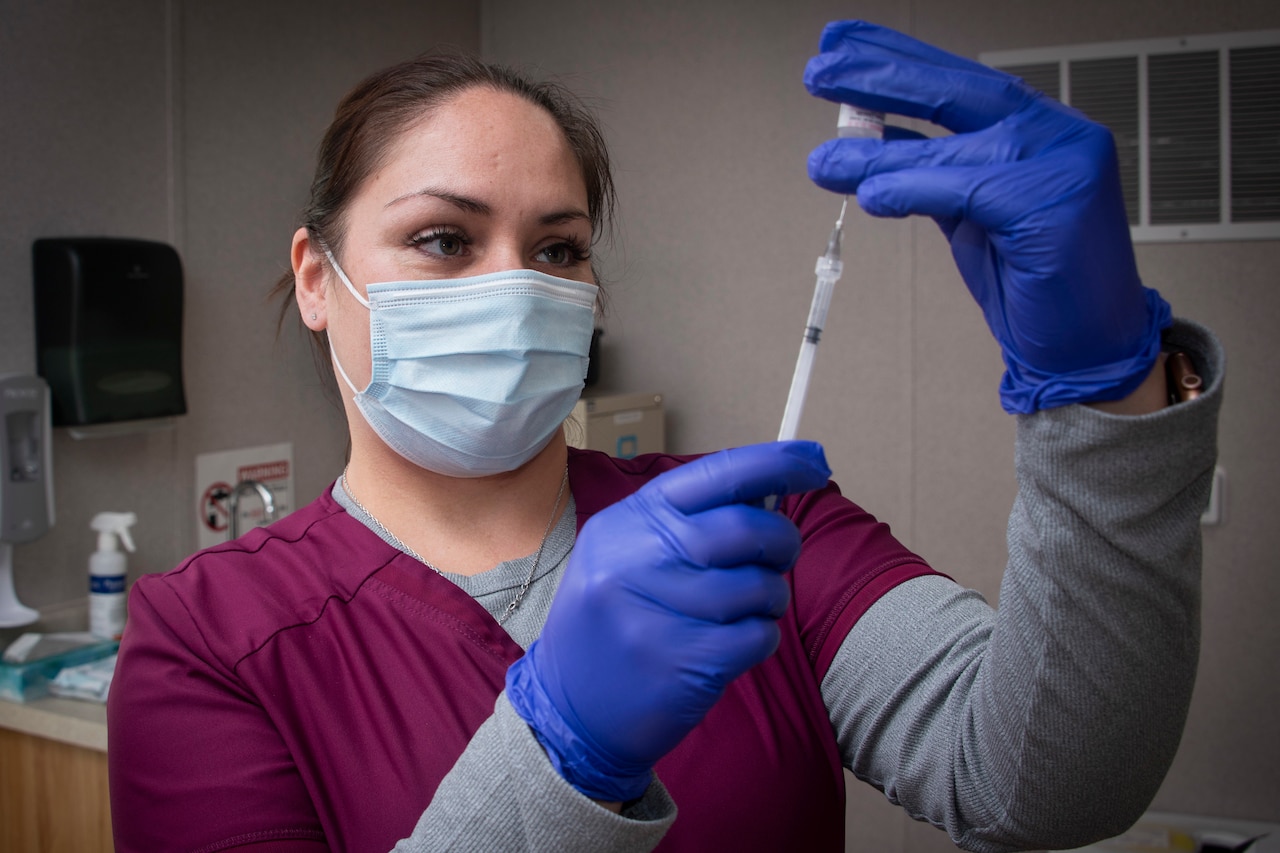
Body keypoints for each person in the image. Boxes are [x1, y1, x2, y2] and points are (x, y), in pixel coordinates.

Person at [107, 19, 1222, 853]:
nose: (512, 287)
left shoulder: (751, 531)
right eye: (443, 239)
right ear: (318, 277)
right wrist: (561, 746)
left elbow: (1046, 781)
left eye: (555, 250)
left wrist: (1104, 397)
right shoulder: (203, 644)